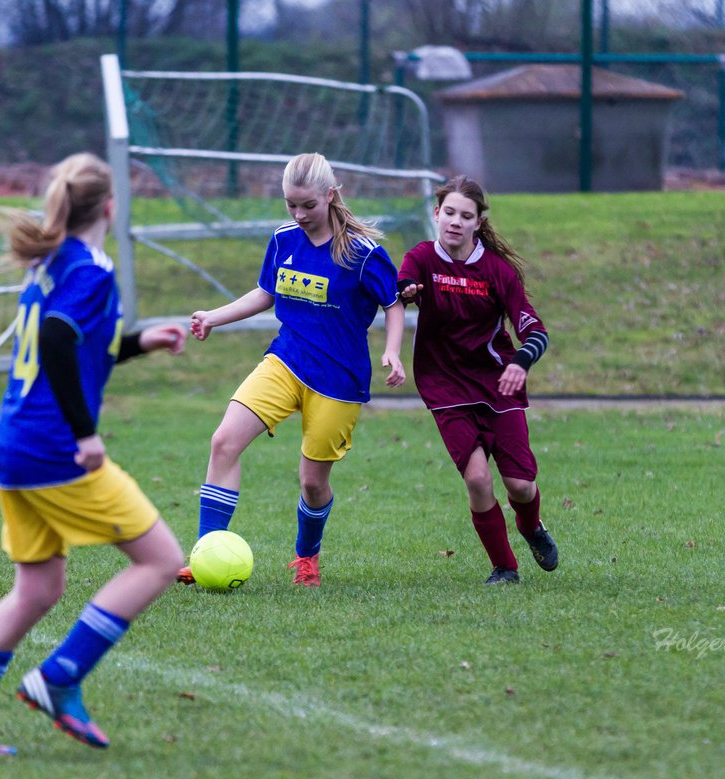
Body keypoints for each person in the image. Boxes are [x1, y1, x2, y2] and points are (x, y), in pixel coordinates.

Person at [0, 152, 189, 755]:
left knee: (36, 591)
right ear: (111, 209)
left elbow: (80, 347)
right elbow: (59, 341)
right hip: (53, 449)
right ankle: (59, 677)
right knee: (161, 561)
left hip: (14, 444)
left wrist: (141, 341)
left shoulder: (52, 264)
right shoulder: (90, 270)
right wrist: (86, 434)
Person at [180, 152, 405, 588]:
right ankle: (206, 551)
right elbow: (266, 292)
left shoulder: (363, 252)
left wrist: (393, 352)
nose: (299, 215)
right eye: (290, 205)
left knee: (312, 484)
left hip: (339, 379)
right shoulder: (284, 239)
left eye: (308, 205)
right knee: (223, 441)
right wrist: (213, 316)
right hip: (286, 361)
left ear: (330, 195)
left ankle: (306, 558)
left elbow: (393, 303)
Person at [398, 175, 558, 585]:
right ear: (436, 214)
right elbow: (401, 285)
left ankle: (531, 527)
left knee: (520, 485)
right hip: (444, 386)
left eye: (465, 215)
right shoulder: (420, 258)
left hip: (496, 383)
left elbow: (535, 331)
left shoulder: (497, 271)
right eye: (448, 212)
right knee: (476, 478)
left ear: (478, 221)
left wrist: (520, 363)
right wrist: (408, 291)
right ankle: (505, 567)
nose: (455, 221)